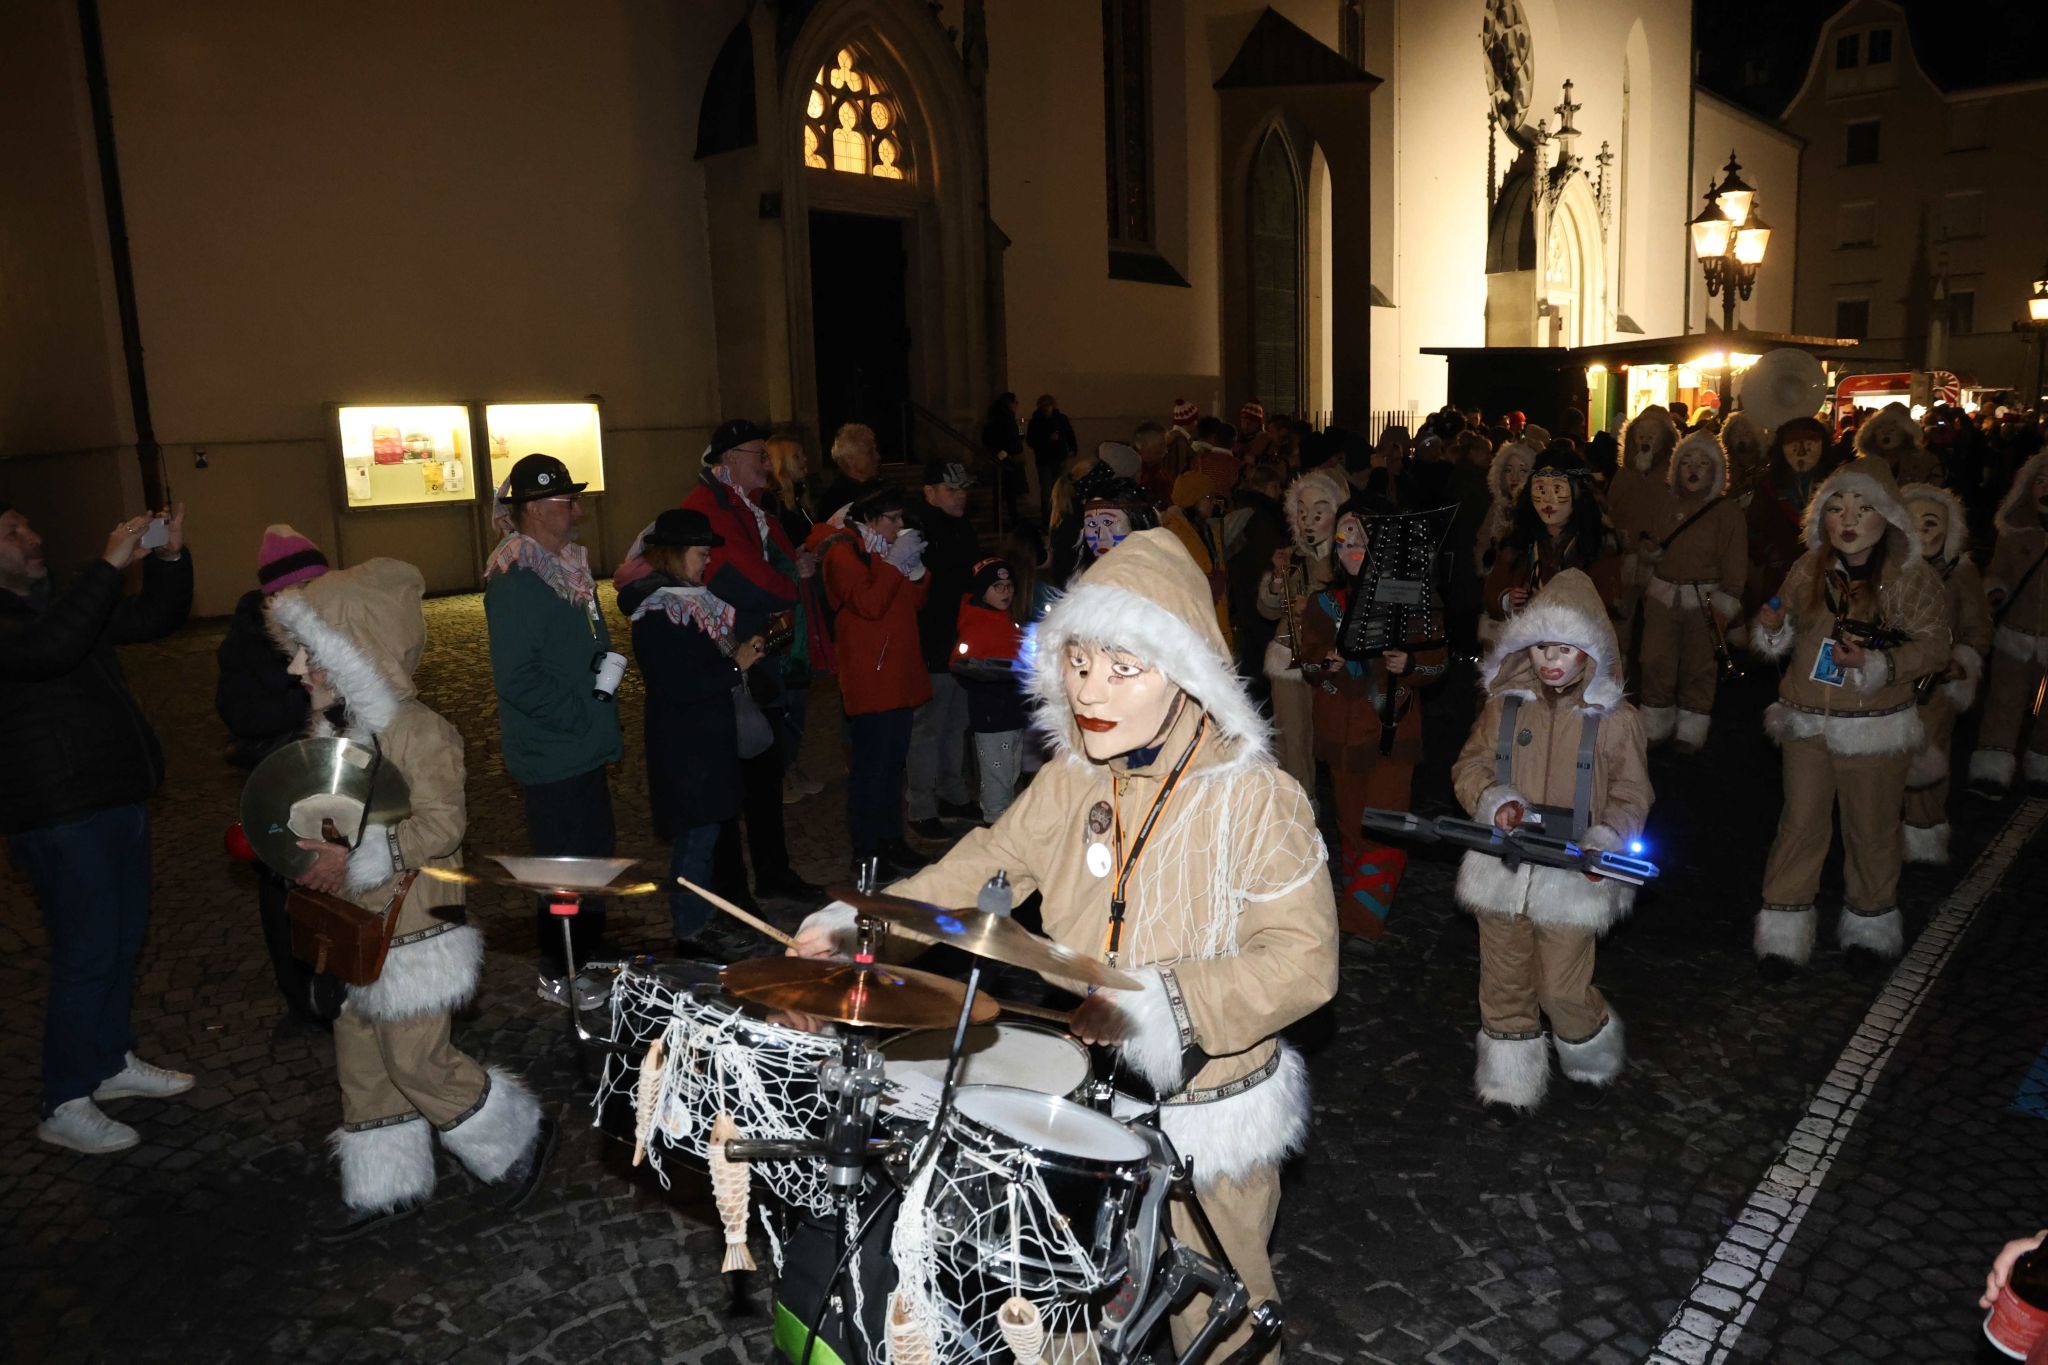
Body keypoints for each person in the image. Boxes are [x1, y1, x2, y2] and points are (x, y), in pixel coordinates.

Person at [793, 528, 1338, 1360]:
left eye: (1126, 669)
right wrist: (864, 920)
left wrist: (1167, 1006)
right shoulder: (1074, 776)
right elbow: (986, 862)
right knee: (1060, 1309)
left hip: (1207, 1112)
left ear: (1185, 674)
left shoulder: (1258, 798)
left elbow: (1305, 962)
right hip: (1090, 1101)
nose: (1093, 690)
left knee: (1221, 1324)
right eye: (1080, 662)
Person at [271, 558, 552, 1238]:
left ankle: (514, 1139)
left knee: (416, 1057)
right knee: (363, 1056)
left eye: (313, 652)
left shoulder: (421, 732)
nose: (297, 668)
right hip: (359, 924)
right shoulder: (338, 734)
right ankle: (386, 1185)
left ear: (356, 652)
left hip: (418, 924)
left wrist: (358, 855)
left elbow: (441, 826)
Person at [3, 500, 196, 1155]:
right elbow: (52, 650)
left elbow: (155, 617)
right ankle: (63, 1099)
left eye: (29, 523)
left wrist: (168, 561)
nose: (33, 537)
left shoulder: (56, 602)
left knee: (120, 942)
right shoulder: (21, 622)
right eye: (12, 532)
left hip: (114, 798)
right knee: (85, 957)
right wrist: (109, 566)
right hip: (57, 815)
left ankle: (110, 1062)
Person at [1452, 569, 1653, 1116]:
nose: (1550, 659)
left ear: (1590, 653)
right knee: (1503, 980)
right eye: (1541, 645)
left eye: (1565, 647)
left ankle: (1590, 1048)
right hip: (1506, 863)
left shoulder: (1617, 721)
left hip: (1574, 871)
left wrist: (1607, 838)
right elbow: (1469, 765)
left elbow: (1634, 793)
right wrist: (1495, 800)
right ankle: (1510, 1082)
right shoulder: (1505, 707)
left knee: (1562, 986)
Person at [1751, 456, 1952, 979]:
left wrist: (1878, 663)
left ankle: (1869, 924)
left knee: (1871, 829)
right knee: (1800, 825)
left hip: (1875, 725)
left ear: (1887, 516)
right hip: (1806, 720)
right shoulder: (1809, 567)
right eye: (1837, 506)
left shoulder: (1911, 578)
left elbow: (1934, 649)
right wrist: (1772, 627)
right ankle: (1783, 933)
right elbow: (1786, 628)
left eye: (1863, 508)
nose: (1848, 518)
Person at [482, 453, 623, 999]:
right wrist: (582, 714)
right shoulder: (517, 578)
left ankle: (589, 955)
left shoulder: (563, 566)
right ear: (535, 509)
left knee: (592, 856)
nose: (577, 510)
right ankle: (560, 969)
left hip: (582, 743)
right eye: (567, 501)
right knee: (563, 866)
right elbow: (517, 677)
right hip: (555, 749)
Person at [682, 421, 819, 904]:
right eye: (758, 455)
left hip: (758, 649)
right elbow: (742, 576)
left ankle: (772, 871)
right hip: (736, 654)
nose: (766, 463)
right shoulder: (711, 508)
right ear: (728, 460)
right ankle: (734, 890)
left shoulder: (744, 506)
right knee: (735, 780)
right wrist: (792, 586)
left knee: (764, 771)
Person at [1296, 499, 1447, 937]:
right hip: (1340, 732)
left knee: (1385, 824)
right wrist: (1325, 663)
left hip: (1390, 730)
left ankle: (1361, 922)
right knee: (1350, 824)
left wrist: (1411, 665)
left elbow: (1437, 662)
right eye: (1343, 540)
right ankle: (1357, 909)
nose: (1351, 548)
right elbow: (1308, 664)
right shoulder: (1324, 604)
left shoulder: (1411, 598)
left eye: (1361, 538)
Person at [215, 523, 344, 1025]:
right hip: (280, 778)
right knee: (283, 890)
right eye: (304, 587)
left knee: (335, 879)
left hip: (324, 774)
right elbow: (240, 716)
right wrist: (303, 700)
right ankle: (301, 996)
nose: (314, 596)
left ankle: (340, 985)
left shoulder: (326, 625)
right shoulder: (248, 642)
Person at [620, 508, 763, 950]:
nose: (707, 562)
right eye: (701, 553)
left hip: (704, 740)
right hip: (687, 745)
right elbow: (678, 684)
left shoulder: (686, 601)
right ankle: (689, 929)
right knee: (695, 841)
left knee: (705, 837)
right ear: (676, 554)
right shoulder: (662, 610)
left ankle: (700, 920)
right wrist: (734, 665)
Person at [808, 488, 932, 876]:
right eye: (892, 519)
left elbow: (913, 603)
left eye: (900, 519)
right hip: (871, 675)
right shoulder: (844, 552)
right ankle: (867, 851)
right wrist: (894, 565)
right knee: (870, 771)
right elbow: (870, 604)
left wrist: (915, 572)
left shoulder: (875, 551)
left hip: (895, 671)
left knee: (892, 766)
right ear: (871, 519)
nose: (899, 527)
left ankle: (891, 840)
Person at [1898, 483, 1991, 865]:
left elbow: (1978, 627)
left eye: (1931, 522)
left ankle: (1922, 836)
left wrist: (1962, 659)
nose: (1922, 531)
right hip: (1890, 680)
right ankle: (1880, 831)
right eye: (1913, 521)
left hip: (1935, 686)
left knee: (1928, 758)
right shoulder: (1889, 569)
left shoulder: (1959, 574)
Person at [1639, 429, 1747, 752]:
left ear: (1717, 470)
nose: (1694, 469)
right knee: (1654, 659)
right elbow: (1647, 539)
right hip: (1663, 596)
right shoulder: (1664, 502)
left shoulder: (1728, 513)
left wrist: (1727, 602)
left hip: (1705, 599)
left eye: (1702, 462)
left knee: (1699, 664)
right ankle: (1655, 724)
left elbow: (1735, 561)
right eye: (1686, 461)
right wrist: (1650, 550)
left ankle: (1691, 729)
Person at [907, 459, 986, 839]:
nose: (961, 496)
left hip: (959, 639)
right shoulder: (918, 530)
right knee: (929, 726)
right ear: (930, 492)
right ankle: (921, 805)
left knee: (957, 722)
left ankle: (951, 792)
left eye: (962, 489)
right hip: (932, 641)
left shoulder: (960, 527)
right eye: (952, 490)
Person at [1259, 469, 1345, 794]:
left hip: (1331, 657)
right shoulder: (1292, 557)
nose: (1309, 521)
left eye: (1318, 513)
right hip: (1289, 657)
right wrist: (1277, 582)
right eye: (1303, 512)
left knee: (1333, 734)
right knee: (1291, 737)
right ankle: (1299, 805)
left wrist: (1314, 605)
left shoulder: (1346, 559)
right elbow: (1267, 610)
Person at [1970, 448, 2048, 799]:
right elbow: (1998, 571)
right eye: (2041, 481)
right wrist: (1995, 591)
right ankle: (1991, 771)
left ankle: (2041, 765)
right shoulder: (2014, 531)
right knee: (2003, 702)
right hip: (2014, 634)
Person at [762, 432, 830, 803]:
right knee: (785, 695)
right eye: (799, 455)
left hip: (806, 607)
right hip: (787, 612)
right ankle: (781, 771)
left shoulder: (799, 501)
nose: (806, 461)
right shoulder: (772, 505)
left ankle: (790, 764)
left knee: (799, 694)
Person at [1482, 445, 1621, 626]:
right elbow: (1492, 592)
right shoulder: (1519, 540)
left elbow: (1609, 600)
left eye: (1557, 489)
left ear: (1578, 492)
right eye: (1540, 489)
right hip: (1525, 644)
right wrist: (1507, 600)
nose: (1548, 499)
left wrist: (1555, 602)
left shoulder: (1598, 543)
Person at [952, 558, 1028, 821]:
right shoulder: (975, 624)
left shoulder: (1008, 620)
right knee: (997, 776)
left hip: (1013, 713)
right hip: (992, 716)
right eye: (997, 586)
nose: (1005, 592)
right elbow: (964, 667)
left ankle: (1004, 821)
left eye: (1009, 586)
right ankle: (994, 824)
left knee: (1010, 772)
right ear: (982, 591)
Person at [1744, 416, 1836, 622]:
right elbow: (1752, 528)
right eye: (1794, 447)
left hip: (1826, 573)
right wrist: (1768, 551)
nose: (1802, 453)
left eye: (1809, 446)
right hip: (1780, 575)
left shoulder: (1836, 485)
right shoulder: (1769, 488)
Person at [1607, 404, 1682, 660]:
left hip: (1659, 560)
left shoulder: (1672, 477)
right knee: (1620, 621)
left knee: (1659, 624)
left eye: (1653, 435)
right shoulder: (1625, 474)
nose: (1647, 441)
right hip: (1626, 558)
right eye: (1642, 435)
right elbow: (1613, 508)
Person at [1162, 469, 1232, 644]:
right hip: (1191, 618)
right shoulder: (1174, 531)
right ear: (1192, 500)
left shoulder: (1208, 529)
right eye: (1208, 498)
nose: (1213, 503)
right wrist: (1205, 583)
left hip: (1212, 610)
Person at [1856, 402, 1943, 488]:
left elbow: (1932, 492)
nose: (1886, 433)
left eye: (1892, 429)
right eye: (1881, 428)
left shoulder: (1926, 462)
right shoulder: (1864, 465)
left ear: (1906, 433)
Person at [1026, 393, 1079, 521]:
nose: (1046, 408)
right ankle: (1047, 517)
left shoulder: (1060, 419)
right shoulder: (1036, 421)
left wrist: (1073, 448)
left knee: (1059, 488)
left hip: (1059, 457)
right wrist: (1046, 439)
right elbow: (1031, 440)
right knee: (1047, 490)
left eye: (1048, 405)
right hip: (1044, 459)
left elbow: (1069, 434)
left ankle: (1059, 515)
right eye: (1043, 406)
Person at [978, 391, 1027, 521]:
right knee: (1007, 490)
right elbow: (992, 438)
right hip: (1004, 459)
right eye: (1014, 402)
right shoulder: (1001, 420)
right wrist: (1002, 451)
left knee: (1010, 490)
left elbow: (1018, 436)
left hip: (1010, 456)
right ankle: (1008, 518)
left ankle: (1010, 517)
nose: (1016, 405)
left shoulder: (1010, 419)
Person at [822, 422, 885, 515]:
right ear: (850, 460)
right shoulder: (835, 501)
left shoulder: (879, 487)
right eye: (870, 452)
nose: (877, 456)